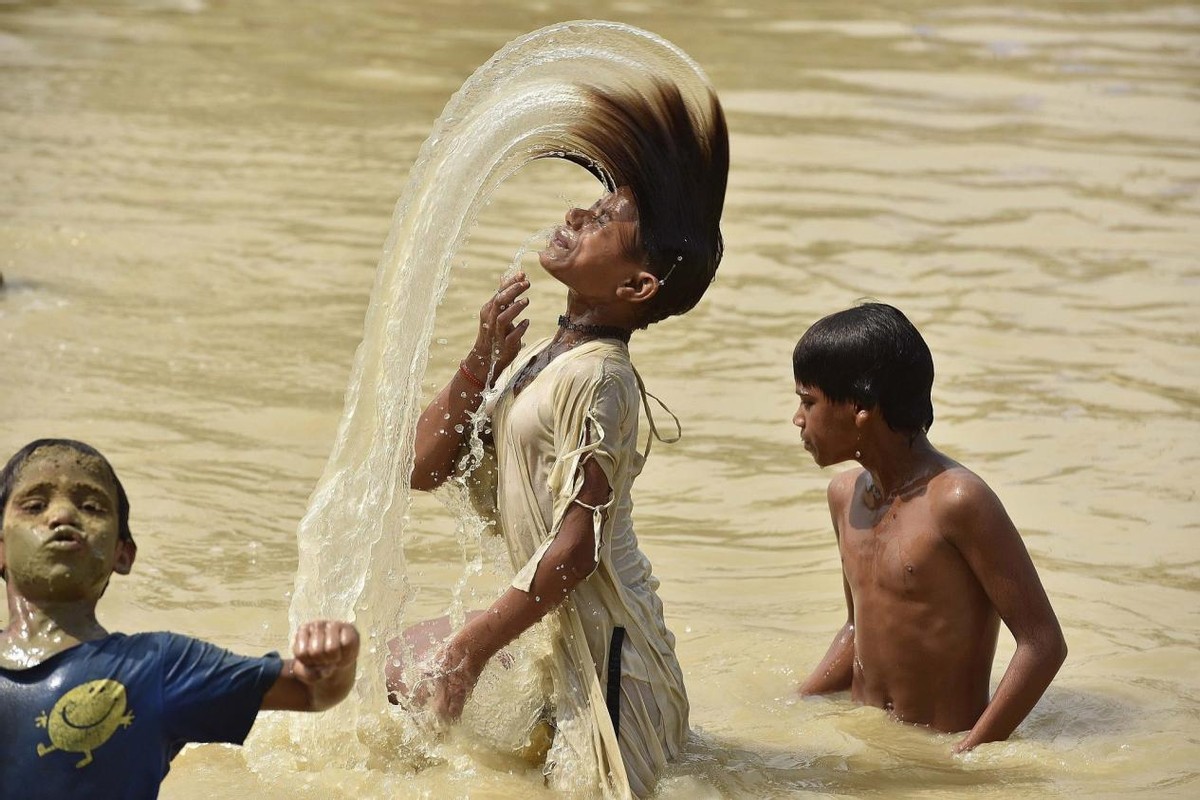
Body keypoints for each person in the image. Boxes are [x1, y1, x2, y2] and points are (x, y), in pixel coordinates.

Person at [389, 81, 728, 798]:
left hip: (616, 673)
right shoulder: (544, 359)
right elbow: (422, 468)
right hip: (561, 650)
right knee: (396, 674)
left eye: (602, 219)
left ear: (635, 288)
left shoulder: (602, 378)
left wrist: (471, 650)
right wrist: (480, 360)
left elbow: (577, 550)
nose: (576, 211)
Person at [0, 438, 361, 797]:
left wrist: (333, 662)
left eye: (92, 506)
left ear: (122, 554)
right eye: (34, 505)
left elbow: (309, 692)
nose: (62, 516)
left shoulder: (158, 667)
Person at [792, 303, 1068, 752]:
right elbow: (858, 628)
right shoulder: (843, 496)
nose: (798, 419)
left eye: (809, 401)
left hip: (939, 754)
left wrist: (969, 755)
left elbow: (1043, 644)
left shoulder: (958, 501)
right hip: (862, 743)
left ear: (861, 405)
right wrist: (797, 704)